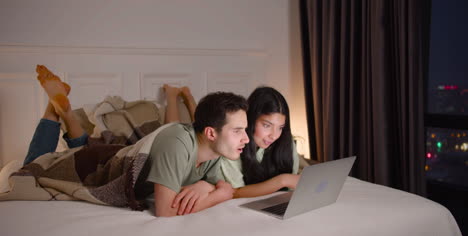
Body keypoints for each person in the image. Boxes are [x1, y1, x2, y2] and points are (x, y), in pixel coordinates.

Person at [24, 65, 250, 217]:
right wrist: (219, 195)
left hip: (107, 151)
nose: (246, 139)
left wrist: (206, 185)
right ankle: (54, 112)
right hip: (106, 166)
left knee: (82, 148)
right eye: (238, 130)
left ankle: (61, 110)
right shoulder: (178, 142)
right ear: (211, 133)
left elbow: (221, 183)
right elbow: (165, 210)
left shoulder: (211, 152)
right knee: (31, 169)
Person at [169, 86, 301, 215]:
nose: (274, 135)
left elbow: (294, 183)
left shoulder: (285, 142)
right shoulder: (230, 146)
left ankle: (188, 98)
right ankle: (172, 96)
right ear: (250, 119)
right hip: (185, 137)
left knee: (202, 125)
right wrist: (283, 180)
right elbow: (235, 192)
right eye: (266, 125)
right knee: (178, 127)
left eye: (280, 127)